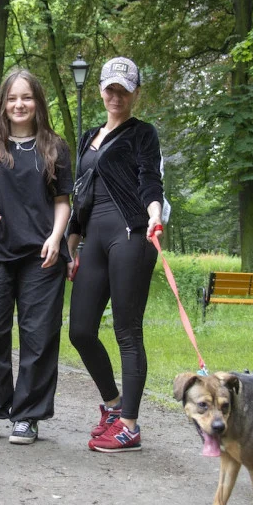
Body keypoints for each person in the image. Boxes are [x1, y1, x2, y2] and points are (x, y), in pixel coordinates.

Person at [0, 70, 73, 445]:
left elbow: (63, 201)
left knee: (39, 335)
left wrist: (57, 238)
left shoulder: (55, 147)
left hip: (42, 255)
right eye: (12, 98)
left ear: (37, 102)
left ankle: (28, 415)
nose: (19, 104)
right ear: (3, 104)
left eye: (26, 97)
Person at [66, 57, 164, 453]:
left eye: (124, 90)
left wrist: (154, 215)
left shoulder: (142, 133)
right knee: (80, 330)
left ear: (136, 92)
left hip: (131, 234)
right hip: (93, 238)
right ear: (101, 90)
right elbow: (81, 193)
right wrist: (70, 244)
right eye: (110, 89)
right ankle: (113, 404)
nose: (116, 96)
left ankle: (129, 426)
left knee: (127, 329)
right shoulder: (89, 135)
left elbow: (150, 179)